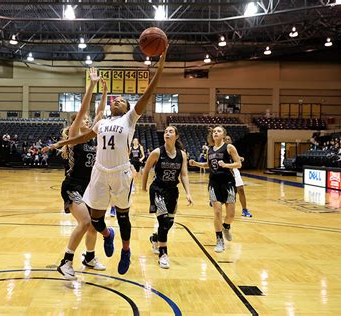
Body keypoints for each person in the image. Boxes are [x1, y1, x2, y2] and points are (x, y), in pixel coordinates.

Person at [45, 47, 168, 275]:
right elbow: (83, 131)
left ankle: (119, 252)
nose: (117, 101)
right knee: (94, 222)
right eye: (115, 99)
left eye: (121, 100)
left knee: (115, 218)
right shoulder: (96, 126)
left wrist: (159, 67)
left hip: (118, 173)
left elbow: (146, 94)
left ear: (128, 108)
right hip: (93, 177)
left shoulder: (129, 119)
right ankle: (98, 242)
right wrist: (61, 143)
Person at [55, 68, 107, 280]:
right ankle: (65, 261)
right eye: (83, 119)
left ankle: (90, 257)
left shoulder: (93, 137)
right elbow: (84, 109)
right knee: (85, 222)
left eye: (88, 120)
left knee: (93, 224)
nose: (87, 121)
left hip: (90, 187)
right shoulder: (75, 136)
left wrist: (104, 94)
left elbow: (101, 114)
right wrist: (91, 86)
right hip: (73, 186)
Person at [142, 125, 193, 269]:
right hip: (158, 189)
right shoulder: (157, 152)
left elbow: (183, 174)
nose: (167, 133)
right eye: (165, 131)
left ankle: (155, 238)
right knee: (163, 221)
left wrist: (188, 193)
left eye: (170, 131)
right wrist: (144, 186)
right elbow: (146, 170)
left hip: (172, 191)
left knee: (169, 223)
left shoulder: (181, 154)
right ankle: (163, 254)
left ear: (176, 136)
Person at [189, 126, 242, 253]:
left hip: (228, 182)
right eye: (214, 132)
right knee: (217, 212)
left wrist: (226, 165)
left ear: (224, 135)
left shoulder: (229, 148)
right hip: (214, 183)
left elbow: (239, 164)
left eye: (218, 131)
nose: (215, 133)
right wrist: (196, 163)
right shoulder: (210, 150)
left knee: (231, 215)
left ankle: (226, 226)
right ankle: (219, 240)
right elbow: (208, 164)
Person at [224, 135, 252, 217]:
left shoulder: (232, 149)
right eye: (225, 139)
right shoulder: (221, 149)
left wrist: (240, 158)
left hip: (234, 170)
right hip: (224, 171)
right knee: (225, 191)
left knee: (241, 189)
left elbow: (236, 158)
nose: (227, 140)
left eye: (229, 139)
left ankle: (244, 210)